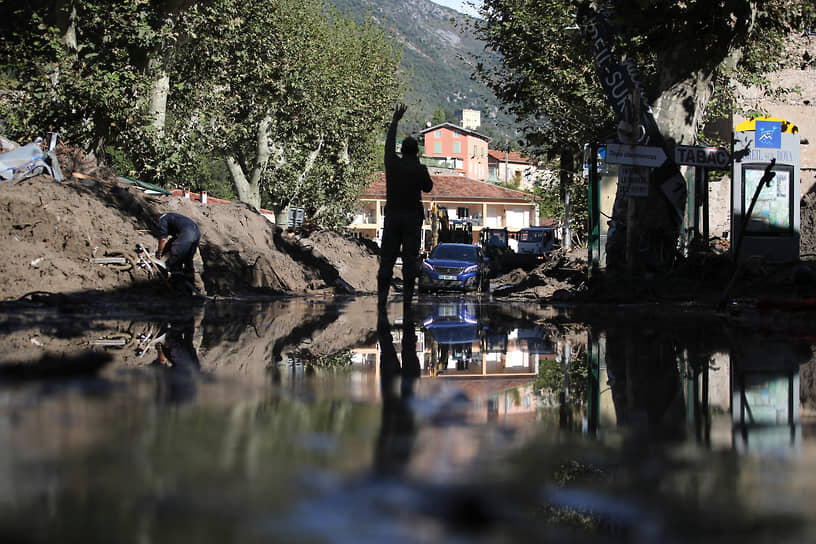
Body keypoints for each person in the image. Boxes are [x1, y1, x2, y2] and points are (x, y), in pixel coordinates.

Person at [377, 104, 434, 313]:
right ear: (416, 152)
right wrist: (418, 164)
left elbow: (388, 146)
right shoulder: (419, 169)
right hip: (412, 219)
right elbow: (428, 187)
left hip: (392, 216)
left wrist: (395, 122)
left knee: (387, 260)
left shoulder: (392, 164)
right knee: (410, 261)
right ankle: (408, 302)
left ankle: (381, 301)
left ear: (402, 151)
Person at [156, 212, 201, 285]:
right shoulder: (173, 217)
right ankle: (194, 286)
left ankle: (176, 286)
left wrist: (159, 252)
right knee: (188, 261)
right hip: (197, 233)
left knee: (176, 259)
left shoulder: (162, 219)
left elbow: (163, 240)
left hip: (187, 233)